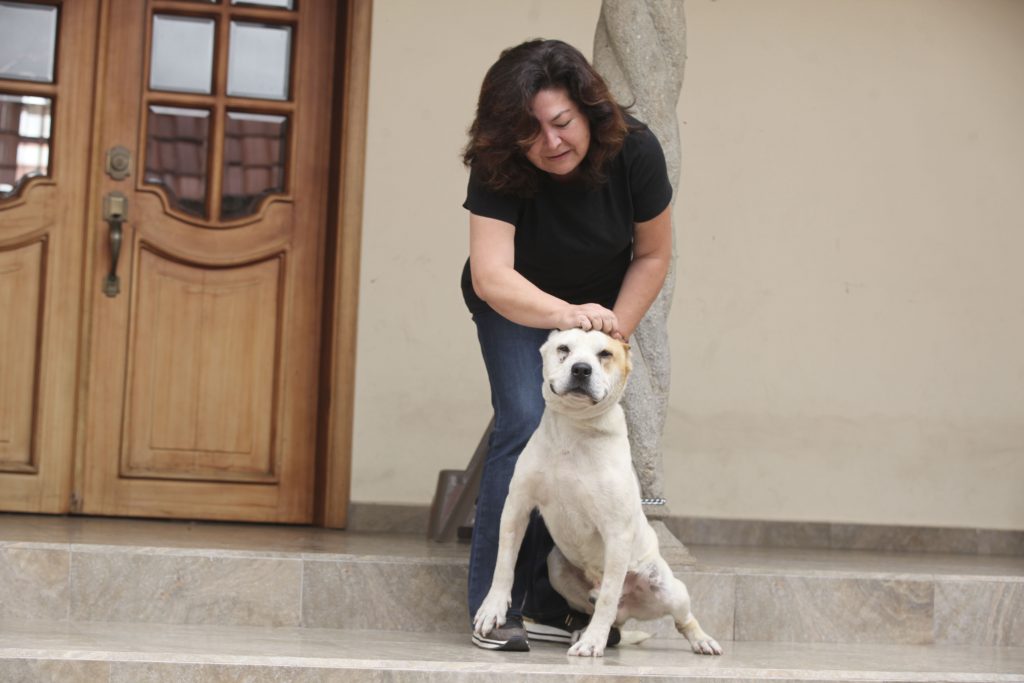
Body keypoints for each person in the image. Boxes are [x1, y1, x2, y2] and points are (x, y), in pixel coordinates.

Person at [461, 39, 673, 652]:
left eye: (561, 123)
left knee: (585, 438)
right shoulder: (498, 161)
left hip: (600, 311)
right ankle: (494, 609)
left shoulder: (636, 149)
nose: (551, 143)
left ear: (588, 110)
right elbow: (491, 276)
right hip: (516, 302)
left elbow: (653, 255)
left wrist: (612, 334)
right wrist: (566, 320)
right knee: (525, 418)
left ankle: (554, 603)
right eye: (530, 133)